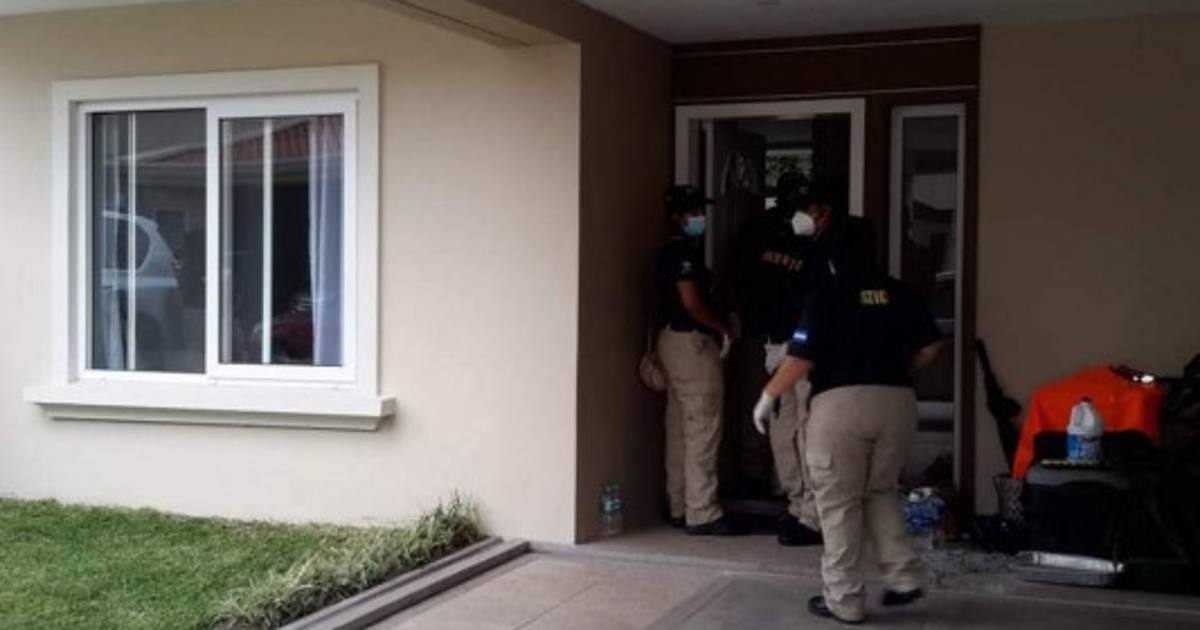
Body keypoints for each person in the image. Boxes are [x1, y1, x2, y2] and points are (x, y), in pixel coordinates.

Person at [752, 229, 944, 624]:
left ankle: (844, 599)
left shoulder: (826, 294)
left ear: (833, 260)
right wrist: (902, 369)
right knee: (880, 489)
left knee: (838, 502)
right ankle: (904, 576)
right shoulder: (901, 293)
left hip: (841, 406)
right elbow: (932, 345)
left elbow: (800, 359)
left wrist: (768, 396)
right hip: (897, 402)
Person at [734, 172, 822, 547]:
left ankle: (811, 512)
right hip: (771, 339)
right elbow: (741, 280)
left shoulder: (821, 246)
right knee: (784, 427)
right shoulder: (759, 232)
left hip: (803, 346)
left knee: (805, 429)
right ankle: (796, 502)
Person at [655, 185, 743, 536]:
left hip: (671, 342)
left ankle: (679, 504)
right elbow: (691, 303)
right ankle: (702, 511)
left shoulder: (668, 252)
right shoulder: (682, 255)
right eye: (693, 212)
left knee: (679, 426)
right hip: (692, 344)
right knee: (702, 427)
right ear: (678, 217)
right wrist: (722, 327)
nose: (700, 218)